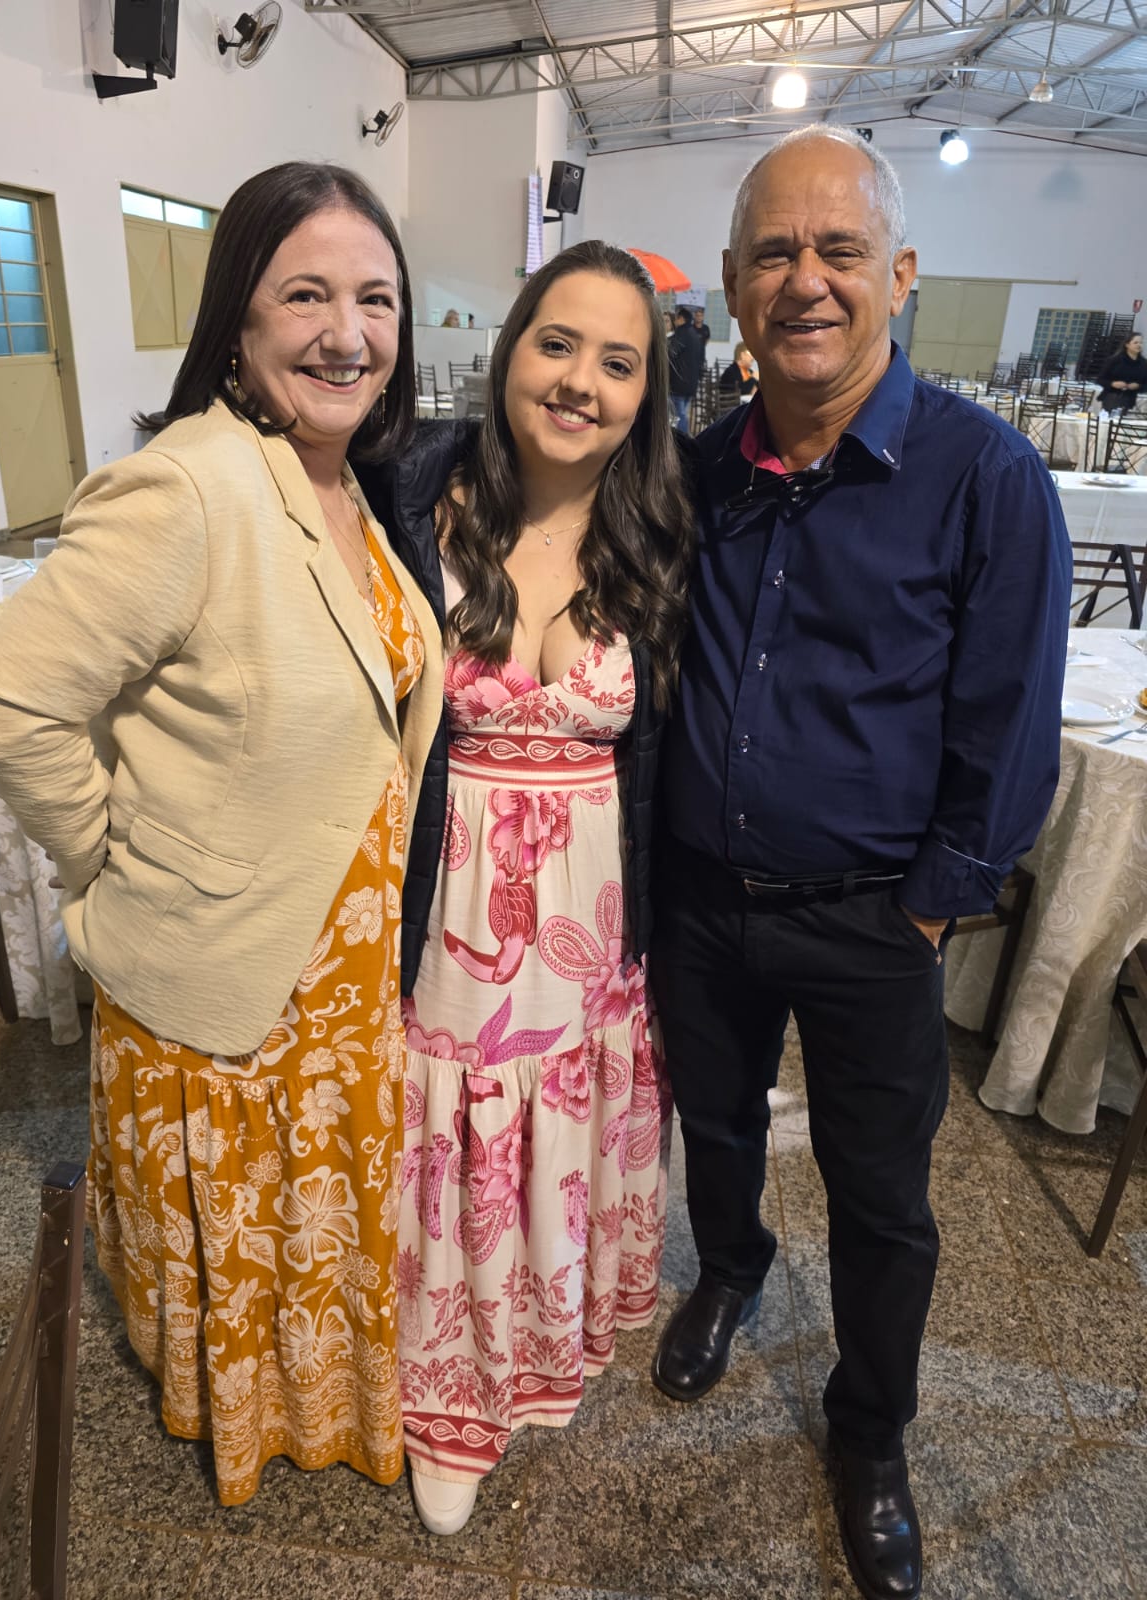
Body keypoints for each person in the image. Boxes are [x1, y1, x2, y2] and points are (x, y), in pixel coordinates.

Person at [0, 162, 445, 1507]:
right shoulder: (192, 486)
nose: (348, 332)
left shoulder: (340, 484)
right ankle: (245, 1416)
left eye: (375, 299)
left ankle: (328, 1401)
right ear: (237, 321)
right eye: (307, 295)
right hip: (232, 979)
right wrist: (116, 850)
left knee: (323, 1222)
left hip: (338, 979)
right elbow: (0, 703)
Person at [650, 126, 1070, 1600]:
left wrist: (938, 903)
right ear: (730, 283)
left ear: (900, 273)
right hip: (703, 899)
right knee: (713, 1126)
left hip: (874, 918)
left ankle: (870, 1427)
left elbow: (1012, 720)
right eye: (775, 252)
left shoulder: (984, 476)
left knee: (883, 1196)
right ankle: (731, 1270)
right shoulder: (698, 470)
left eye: (838, 252)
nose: (805, 282)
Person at [355, 240, 692, 1536]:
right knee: (455, 1137)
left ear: (648, 392)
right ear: (510, 352)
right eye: (558, 344)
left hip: (592, 920)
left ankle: (529, 1363)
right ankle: (449, 1398)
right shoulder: (409, 490)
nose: (581, 382)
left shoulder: (663, 527)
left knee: (551, 1136)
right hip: (450, 907)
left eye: (620, 362)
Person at [667, 304, 704, 434]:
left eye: (676, 318)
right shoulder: (695, 335)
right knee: (682, 413)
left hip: (679, 383)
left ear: (681, 319)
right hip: (692, 382)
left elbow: (671, 353)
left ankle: (682, 442)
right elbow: (701, 360)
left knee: (678, 415)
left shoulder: (681, 333)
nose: (674, 322)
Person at [1096, 330, 1146, 412]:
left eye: (1141, 343)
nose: (1139, 345)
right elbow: (1100, 379)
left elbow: (1145, 384)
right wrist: (1113, 384)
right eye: (1135, 343)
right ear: (1127, 344)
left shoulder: (1143, 363)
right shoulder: (1115, 360)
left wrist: (1138, 386)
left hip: (1130, 399)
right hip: (1111, 397)